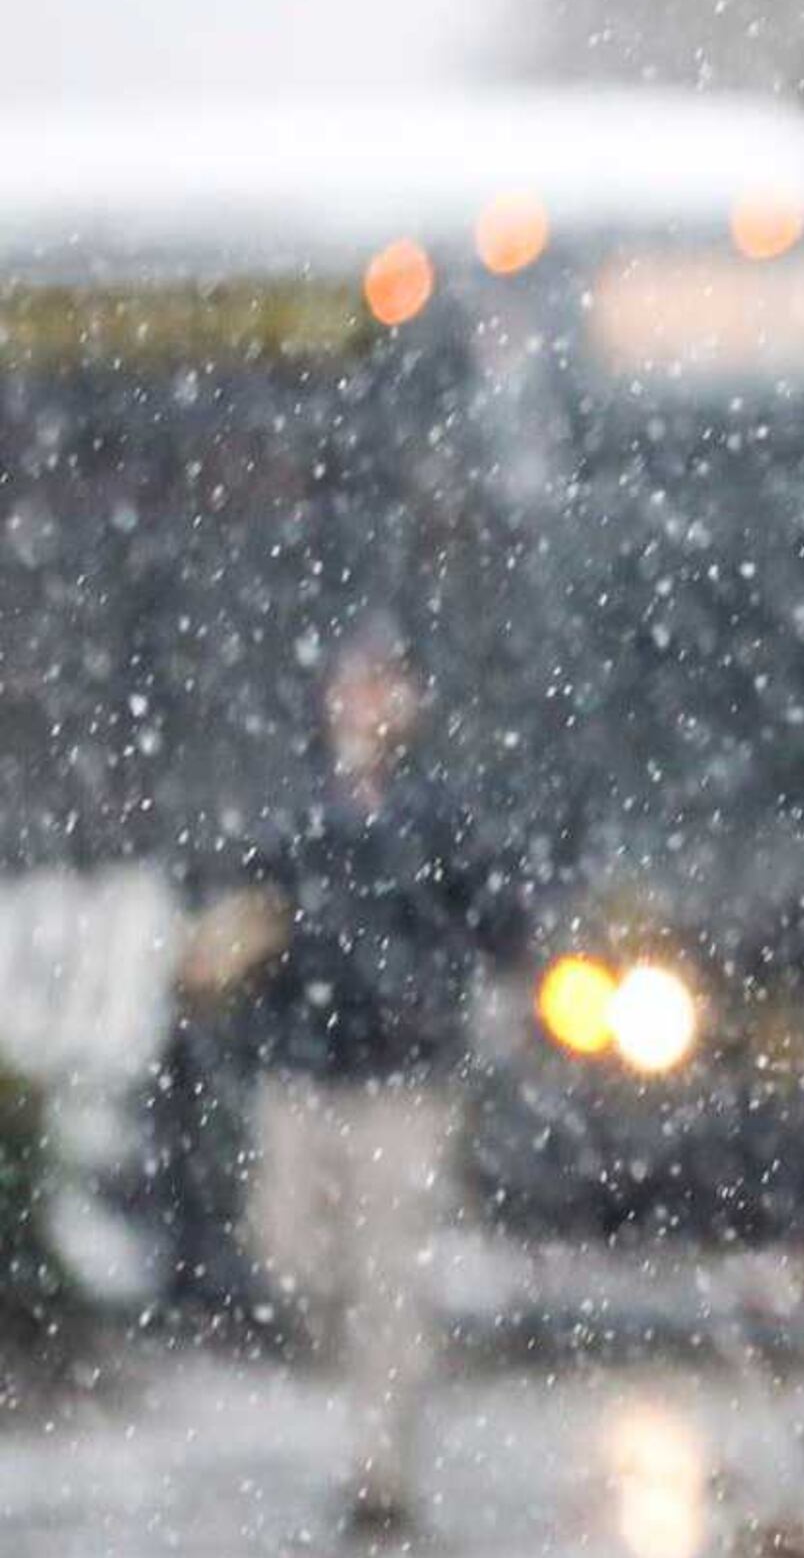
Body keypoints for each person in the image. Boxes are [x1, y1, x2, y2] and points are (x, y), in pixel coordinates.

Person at [223, 619, 543, 1542]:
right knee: (287, 1249)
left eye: (382, 683)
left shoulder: (442, 814)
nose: (364, 701)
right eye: (351, 682)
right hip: (304, 1070)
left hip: (406, 1082)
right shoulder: (296, 808)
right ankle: (365, 1362)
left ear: (411, 701)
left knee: (390, 1271)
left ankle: (382, 1466)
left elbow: (502, 919)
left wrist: (487, 984)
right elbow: (251, 912)